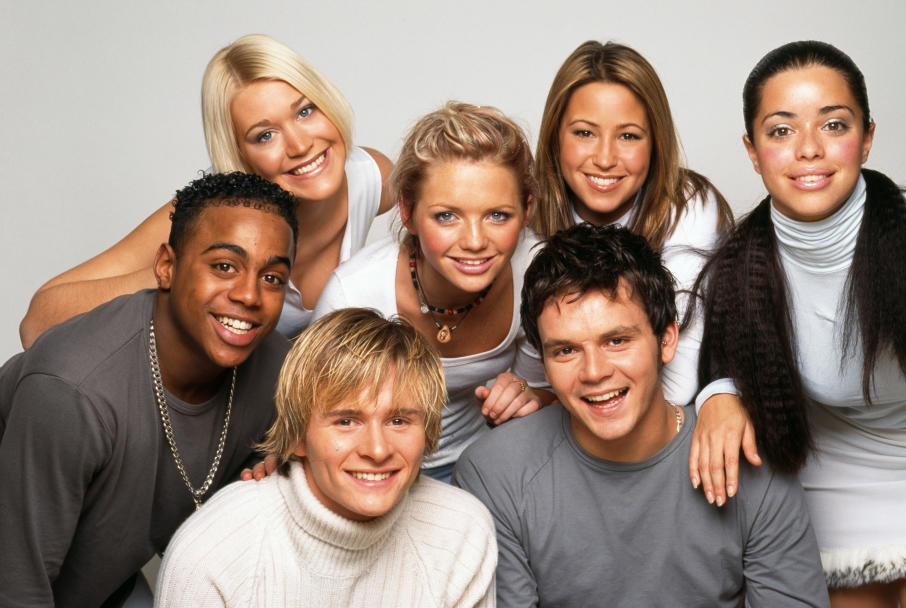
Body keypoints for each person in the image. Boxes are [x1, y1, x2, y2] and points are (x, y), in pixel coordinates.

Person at [692, 41, 906, 606]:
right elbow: (717, 359)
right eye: (781, 131)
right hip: (830, 477)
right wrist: (718, 393)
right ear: (752, 149)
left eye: (833, 125)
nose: (808, 150)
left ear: (866, 137)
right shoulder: (737, 267)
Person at [453, 223, 829, 607]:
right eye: (565, 350)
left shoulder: (747, 459)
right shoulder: (494, 474)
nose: (594, 372)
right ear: (544, 364)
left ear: (666, 340)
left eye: (616, 341)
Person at [0, 172, 296, 606]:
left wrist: (270, 466)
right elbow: (18, 588)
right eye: (224, 266)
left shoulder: (277, 370)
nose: (250, 295)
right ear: (167, 267)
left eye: (272, 277)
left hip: (102, 584)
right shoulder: (74, 389)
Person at [19, 33, 392, 348]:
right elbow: (36, 324)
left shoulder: (372, 177)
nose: (299, 145)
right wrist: (191, 268)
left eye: (305, 111)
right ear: (240, 156)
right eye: (265, 135)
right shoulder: (208, 215)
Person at [155, 308, 497, 607]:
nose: (377, 450)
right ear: (299, 436)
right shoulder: (212, 552)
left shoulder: (461, 531)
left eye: (399, 421)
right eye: (346, 421)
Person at [312, 102, 552, 482]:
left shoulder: (537, 274)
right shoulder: (352, 293)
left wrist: (527, 397)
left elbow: (547, 395)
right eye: (446, 216)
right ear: (407, 212)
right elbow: (315, 425)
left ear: (525, 210)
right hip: (369, 472)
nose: (475, 241)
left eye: (497, 215)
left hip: (487, 464)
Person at [531, 40, 733, 406]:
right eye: (584, 133)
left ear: (656, 142)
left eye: (628, 136)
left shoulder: (689, 206)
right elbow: (531, 375)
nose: (605, 158)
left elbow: (675, 386)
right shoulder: (522, 210)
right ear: (554, 138)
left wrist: (547, 399)